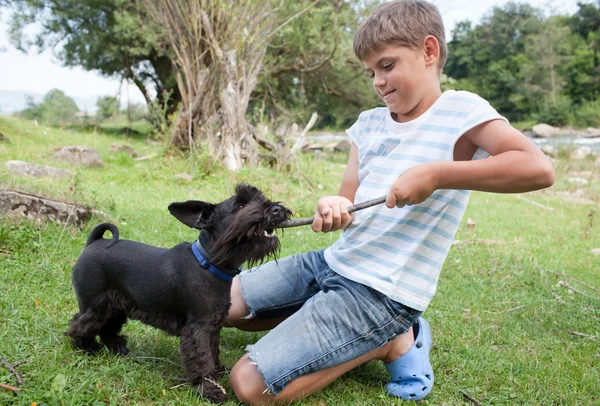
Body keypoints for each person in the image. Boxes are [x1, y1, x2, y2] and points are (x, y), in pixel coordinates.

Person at [224, 0, 555, 404]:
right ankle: (325, 321)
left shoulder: (460, 111)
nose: (378, 82)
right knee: (223, 304)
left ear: (429, 52)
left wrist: (437, 174)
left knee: (249, 386)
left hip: (380, 293)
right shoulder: (368, 124)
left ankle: (389, 341)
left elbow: (538, 168)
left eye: (387, 65)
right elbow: (347, 199)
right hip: (333, 263)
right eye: (371, 73)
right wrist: (333, 204)